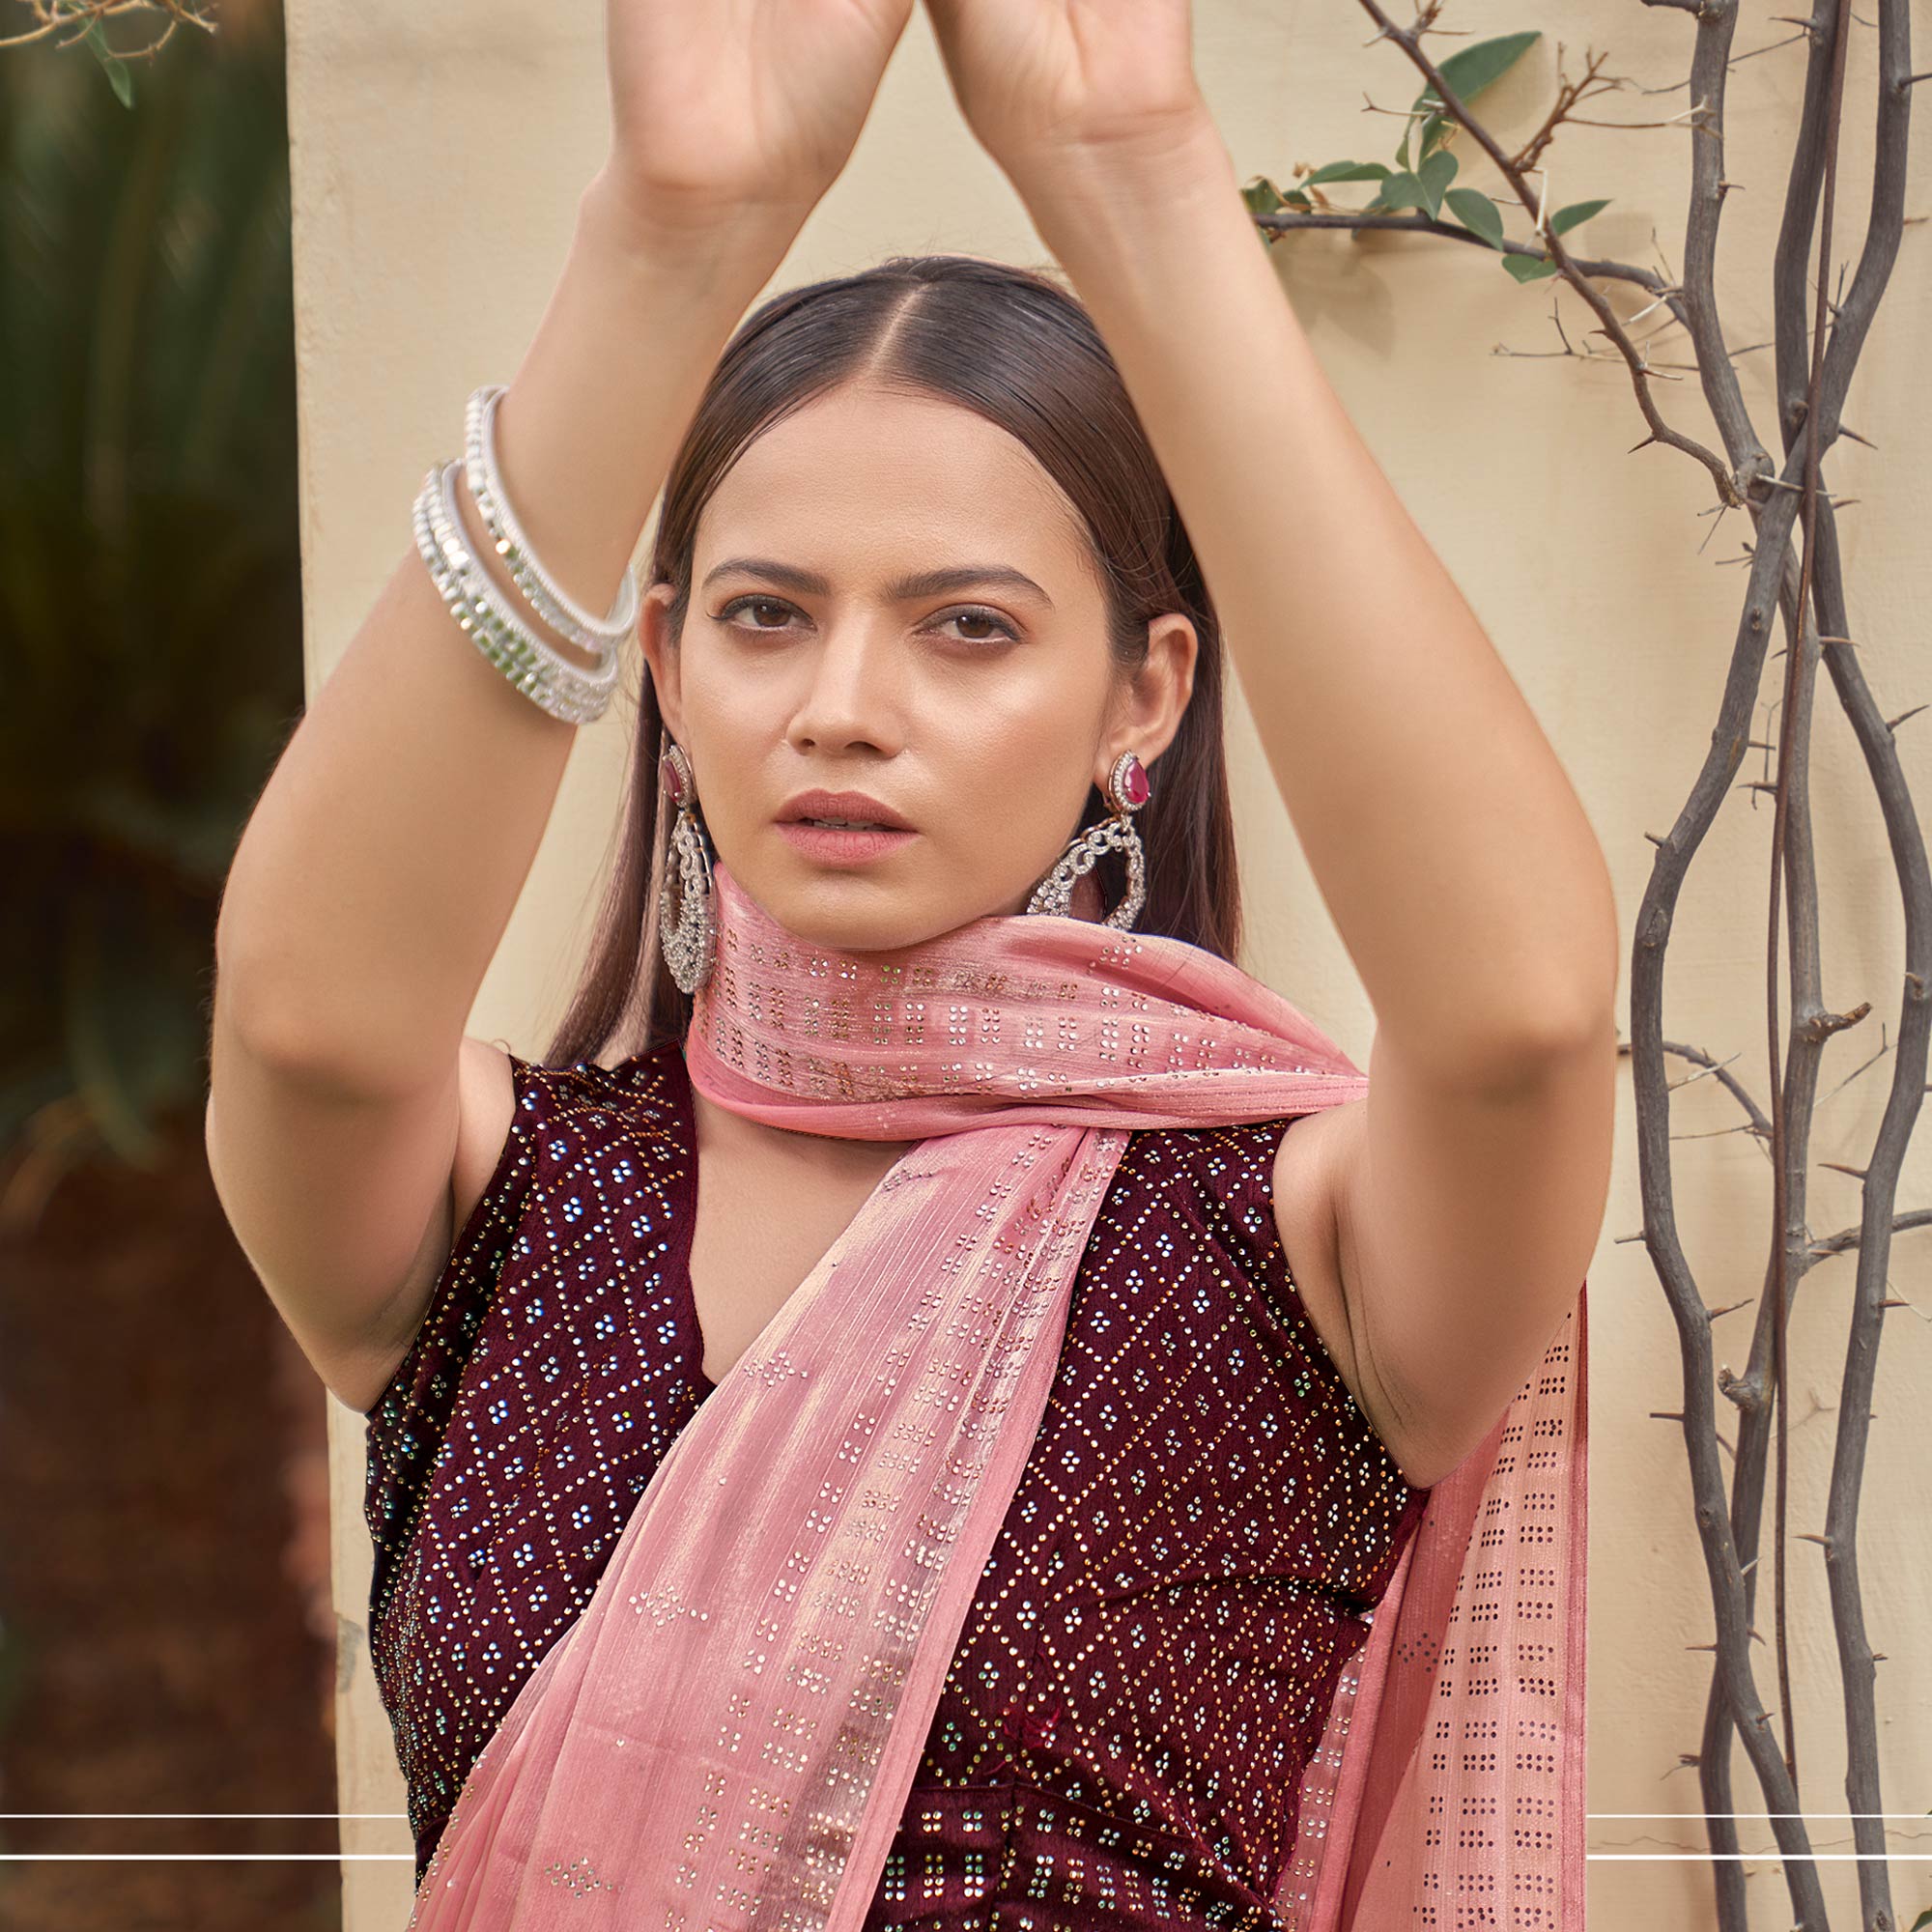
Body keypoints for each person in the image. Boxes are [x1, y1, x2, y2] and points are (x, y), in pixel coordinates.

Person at [204, 1, 1616, 1924]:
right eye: (767, 617)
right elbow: (301, 1026)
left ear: (1145, 692)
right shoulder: (495, 1211)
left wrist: (1137, 178)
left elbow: (1522, 1024)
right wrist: (673, 233)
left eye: (965, 627)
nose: (843, 707)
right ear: (672, 661)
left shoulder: (1304, 1246)